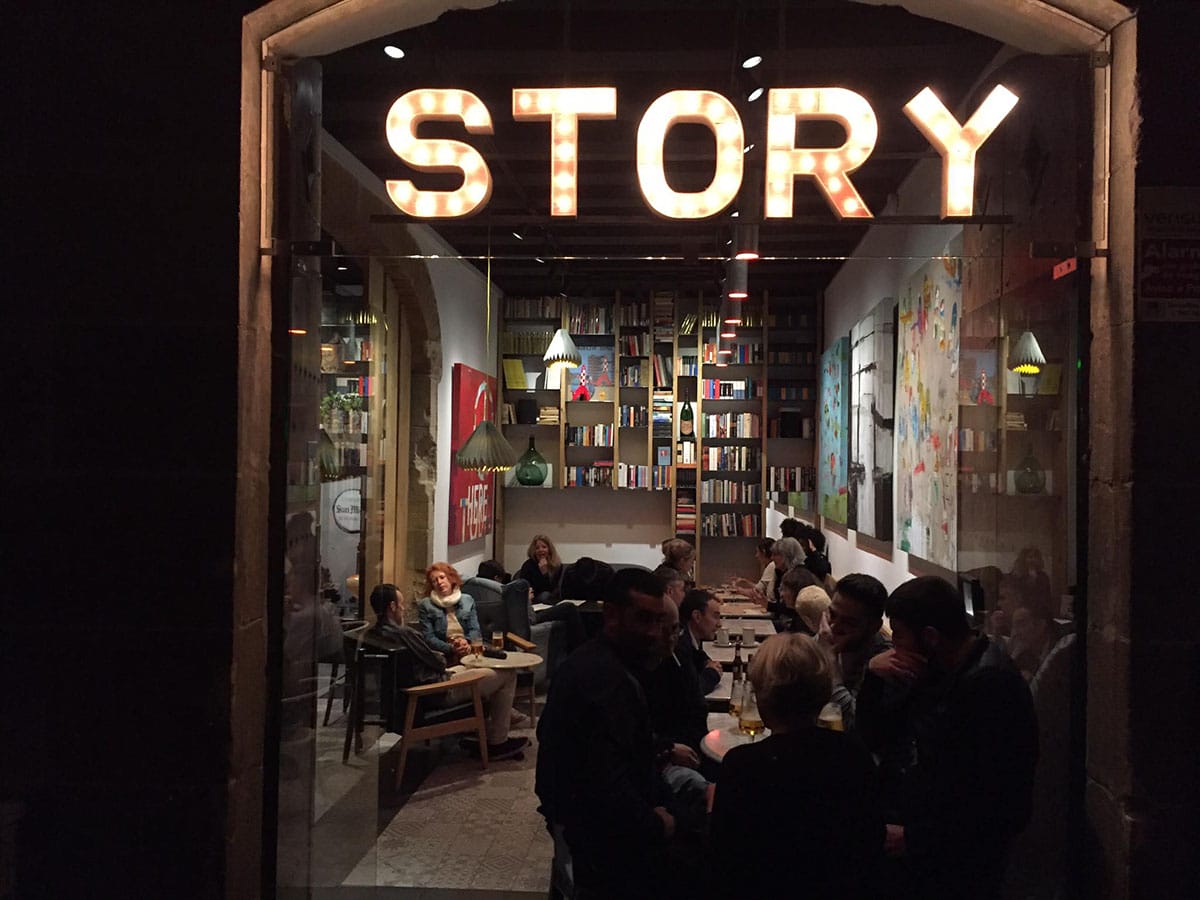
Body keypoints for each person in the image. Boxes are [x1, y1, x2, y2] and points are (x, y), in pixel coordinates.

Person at [856, 576, 1038, 900]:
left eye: (898, 635)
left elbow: (1002, 806)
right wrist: (872, 677)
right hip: (911, 836)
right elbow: (876, 736)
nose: (894, 644)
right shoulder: (939, 669)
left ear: (930, 637)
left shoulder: (991, 687)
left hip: (947, 869)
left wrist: (914, 838)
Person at [535, 568, 677, 899]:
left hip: (580, 831)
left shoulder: (595, 663)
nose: (654, 632)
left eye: (659, 622)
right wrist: (658, 824)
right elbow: (605, 785)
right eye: (643, 619)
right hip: (602, 844)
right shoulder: (604, 679)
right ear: (610, 614)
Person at [711, 633, 883, 898]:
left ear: (763, 698)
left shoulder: (742, 765)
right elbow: (870, 840)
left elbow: (725, 858)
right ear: (823, 691)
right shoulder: (854, 755)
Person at [363, 584, 528, 759]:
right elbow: (438, 662)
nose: (403, 608)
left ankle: (496, 725)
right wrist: (441, 656)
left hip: (422, 690)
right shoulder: (403, 634)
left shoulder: (374, 634)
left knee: (476, 667)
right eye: (401, 604)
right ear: (392, 606)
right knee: (507, 674)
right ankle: (498, 742)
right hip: (437, 691)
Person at [816, 573, 892, 732]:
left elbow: (852, 725)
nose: (834, 627)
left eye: (848, 622)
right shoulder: (824, 639)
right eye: (832, 614)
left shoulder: (885, 662)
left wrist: (831, 665)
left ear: (874, 627)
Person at [416, 562, 482, 661]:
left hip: (468, 648)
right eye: (434, 581)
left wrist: (465, 642)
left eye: (442, 577)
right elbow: (429, 637)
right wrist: (452, 648)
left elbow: (475, 629)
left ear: (451, 578)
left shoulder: (467, 600)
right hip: (444, 654)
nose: (439, 582)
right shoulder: (425, 605)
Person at [676, 588, 723, 694]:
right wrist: (713, 673)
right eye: (715, 617)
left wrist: (706, 662)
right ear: (697, 616)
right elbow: (692, 690)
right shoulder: (679, 644)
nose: (720, 624)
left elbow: (697, 655)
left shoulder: (692, 636)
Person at [516, 533, 563, 602]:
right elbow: (524, 586)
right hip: (531, 597)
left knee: (546, 595)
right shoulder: (528, 565)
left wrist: (545, 573)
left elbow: (552, 589)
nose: (541, 550)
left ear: (549, 549)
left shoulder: (557, 565)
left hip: (549, 596)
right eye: (537, 548)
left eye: (544, 547)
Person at [775, 562, 822, 632]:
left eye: (785, 590)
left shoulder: (804, 622)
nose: (781, 594)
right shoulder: (798, 615)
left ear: (797, 591)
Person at [731, 538, 775, 603]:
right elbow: (760, 587)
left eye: (757, 552)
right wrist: (745, 581)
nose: (756, 555)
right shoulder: (771, 565)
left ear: (764, 551)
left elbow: (756, 592)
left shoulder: (772, 566)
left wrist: (736, 589)